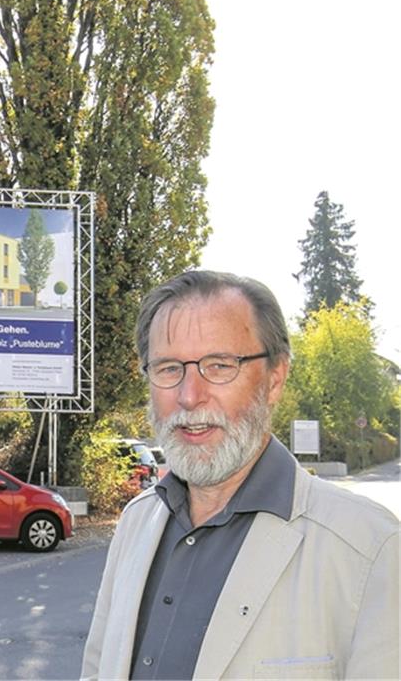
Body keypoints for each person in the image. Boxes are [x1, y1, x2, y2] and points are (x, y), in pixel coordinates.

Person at [82, 270, 398, 680]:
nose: (189, 396)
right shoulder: (136, 522)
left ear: (274, 379)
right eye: (168, 368)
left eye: (219, 365)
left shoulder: (370, 548)